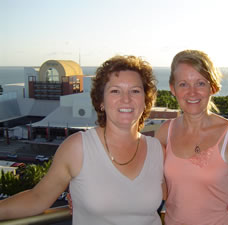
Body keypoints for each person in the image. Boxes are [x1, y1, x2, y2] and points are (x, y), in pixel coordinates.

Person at [0, 55, 165, 225]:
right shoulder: (78, 147)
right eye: (115, 90)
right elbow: (38, 197)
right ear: (101, 101)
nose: (126, 99)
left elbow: (175, 196)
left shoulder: (157, 150)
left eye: (135, 91)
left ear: (145, 100)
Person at [155, 50, 228, 225]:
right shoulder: (165, 132)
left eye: (200, 83)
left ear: (213, 87)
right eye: (183, 84)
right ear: (173, 89)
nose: (192, 92)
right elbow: (159, 189)